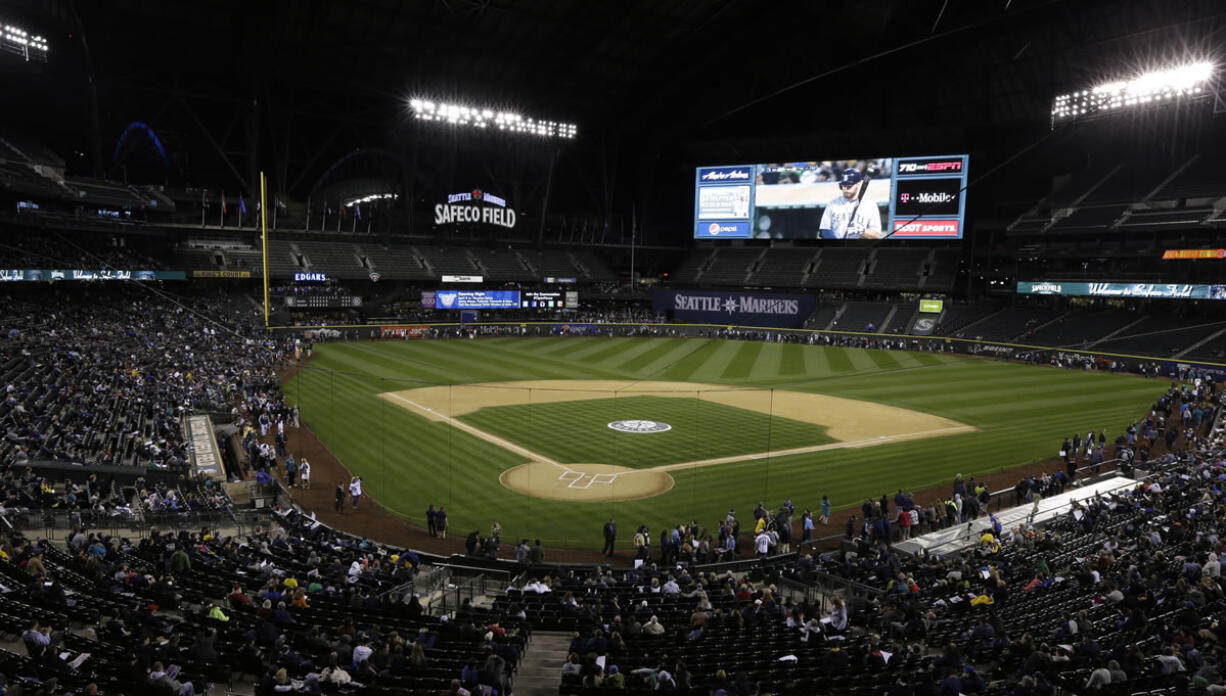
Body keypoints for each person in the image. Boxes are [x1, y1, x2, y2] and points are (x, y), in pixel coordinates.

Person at [819, 168, 881, 239]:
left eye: (849, 186)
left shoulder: (869, 204)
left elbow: (876, 234)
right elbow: (824, 230)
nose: (845, 189)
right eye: (843, 186)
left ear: (858, 184)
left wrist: (861, 231)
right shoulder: (833, 204)